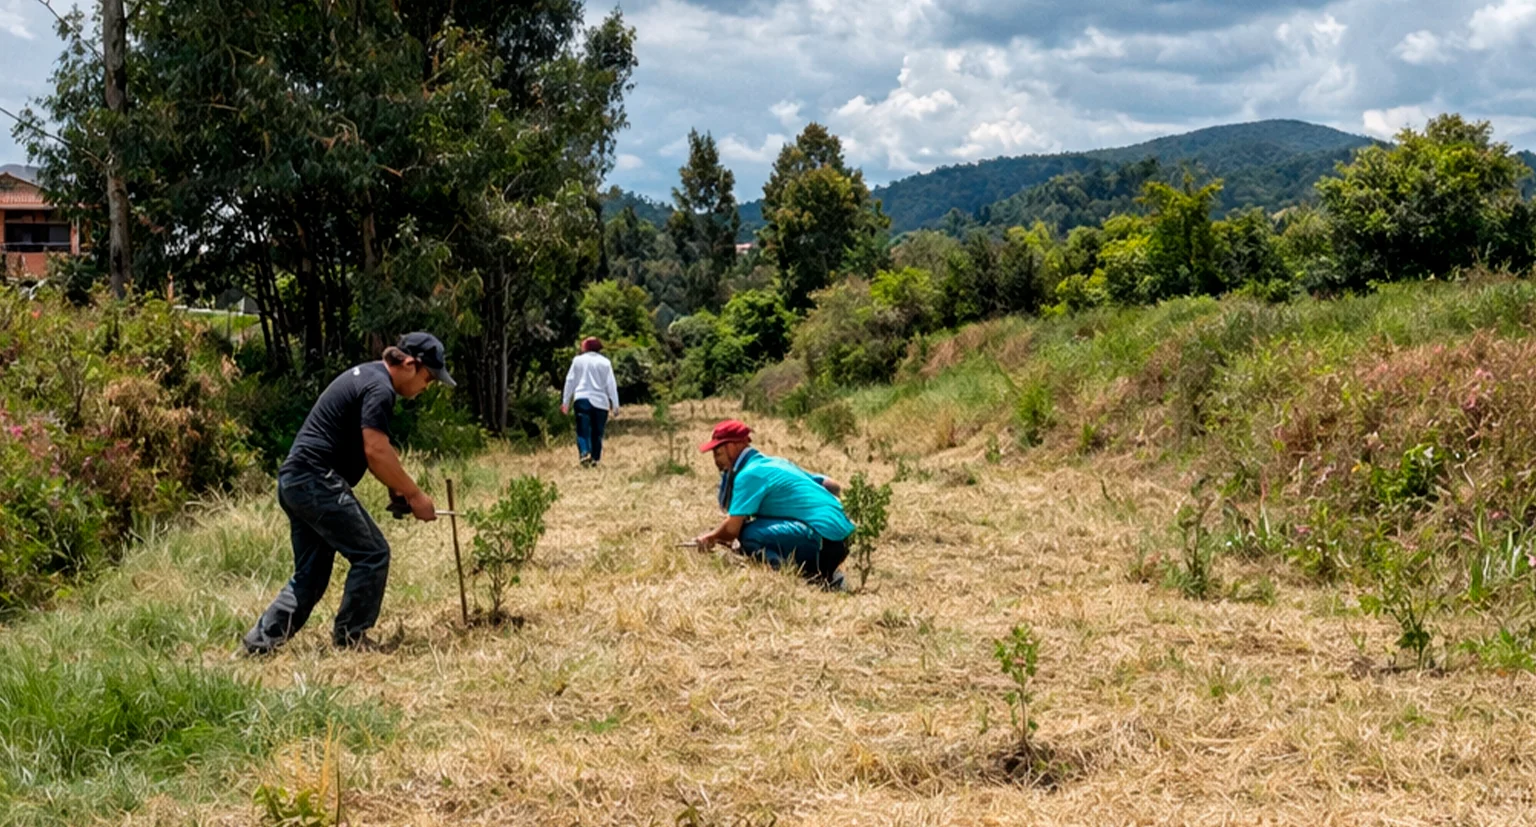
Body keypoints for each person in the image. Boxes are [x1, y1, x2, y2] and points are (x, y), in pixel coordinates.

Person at [242, 333, 454, 654]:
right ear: (410, 364)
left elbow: (373, 449)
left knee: (310, 576)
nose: (428, 386)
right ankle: (351, 638)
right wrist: (415, 495)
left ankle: (258, 645)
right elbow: (376, 450)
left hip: (296, 481)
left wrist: (395, 488)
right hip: (316, 479)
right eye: (429, 378)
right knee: (372, 554)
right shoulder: (380, 388)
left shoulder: (369, 377)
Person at [692, 419, 853, 589]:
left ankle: (796, 581)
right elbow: (830, 485)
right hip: (842, 539)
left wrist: (711, 537)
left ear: (732, 446)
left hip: (823, 541)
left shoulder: (748, 474)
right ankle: (827, 573)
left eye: (718, 453)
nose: (716, 460)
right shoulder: (776, 463)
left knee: (749, 534)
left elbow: (732, 529)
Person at [561, 336, 620, 467]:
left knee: (582, 430)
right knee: (597, 433)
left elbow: (570, 381)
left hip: (582, 398)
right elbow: (611, 385)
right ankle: (595, 459)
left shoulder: (578, 361)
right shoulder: (605, 363)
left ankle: (584, 452)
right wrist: (615, 405)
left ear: (585, 347)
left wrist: (565, 402)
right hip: (601, 402)